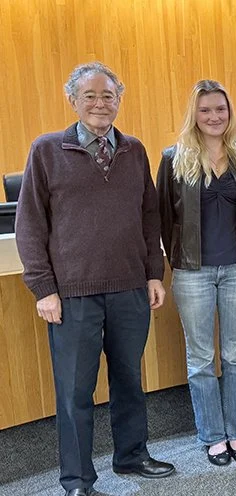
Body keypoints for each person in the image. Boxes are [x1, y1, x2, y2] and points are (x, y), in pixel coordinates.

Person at [15, 62, 174, 496]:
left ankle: (131, 455)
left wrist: (153, 274)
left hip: (129, 289)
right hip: (72, 296)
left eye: (109, 96)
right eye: (90, 96)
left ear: (119, 100)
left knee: (129, 381)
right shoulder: (46, 150)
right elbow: (30, 224)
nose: (101, 103)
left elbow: (149, 216)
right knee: (75, 394)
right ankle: (77, 481)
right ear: (73, 101)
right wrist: (43, 288)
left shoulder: (134, 150)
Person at [157, 80, 236, 466]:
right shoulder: (174, 159)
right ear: (194, 114)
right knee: (201, 357)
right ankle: (212, 435)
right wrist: (176, 263)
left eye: (220, 109)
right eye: (205, 110)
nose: (214, 116)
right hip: (192, 274)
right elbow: (164, 218)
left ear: (229, 111)